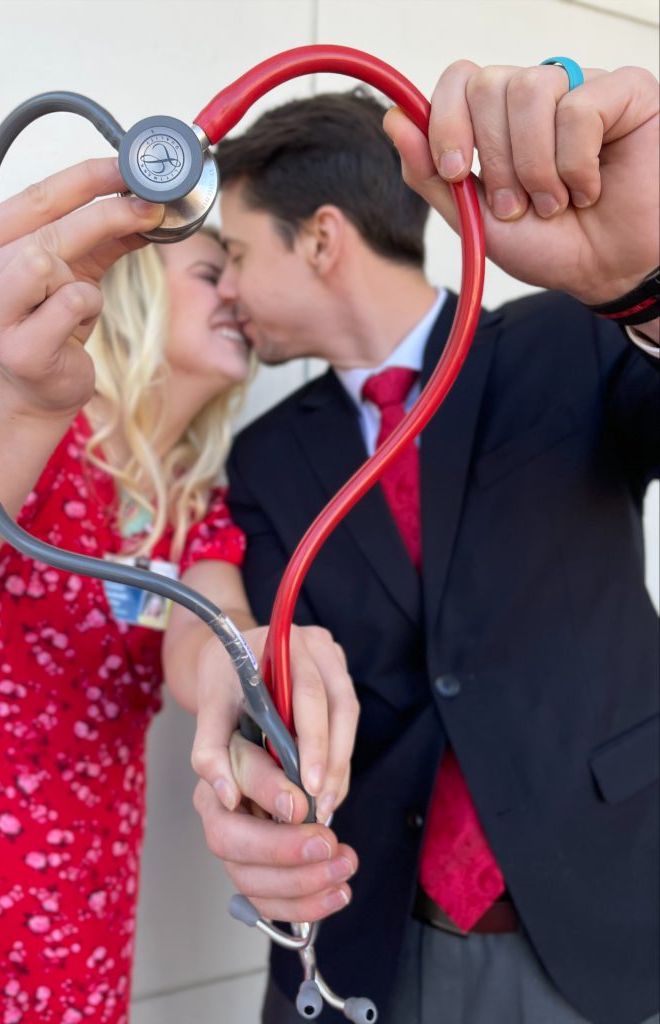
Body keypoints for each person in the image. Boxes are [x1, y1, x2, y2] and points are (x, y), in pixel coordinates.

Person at [191, 61, 660, 1023]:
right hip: (368, 936)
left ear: (322, 238)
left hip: (603, 916)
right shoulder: (266, 457)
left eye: (235, 253)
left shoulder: (573, 337)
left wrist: (643, 287)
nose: (226, 287)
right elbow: (271, 676)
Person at [0, 163, 359, 1023]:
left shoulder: (196, 505)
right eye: (211, 272)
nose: (236, 297)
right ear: (139, 285)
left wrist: (251, 661)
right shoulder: (15, 431)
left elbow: (204, 645)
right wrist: (20, 405)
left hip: (84, 895)